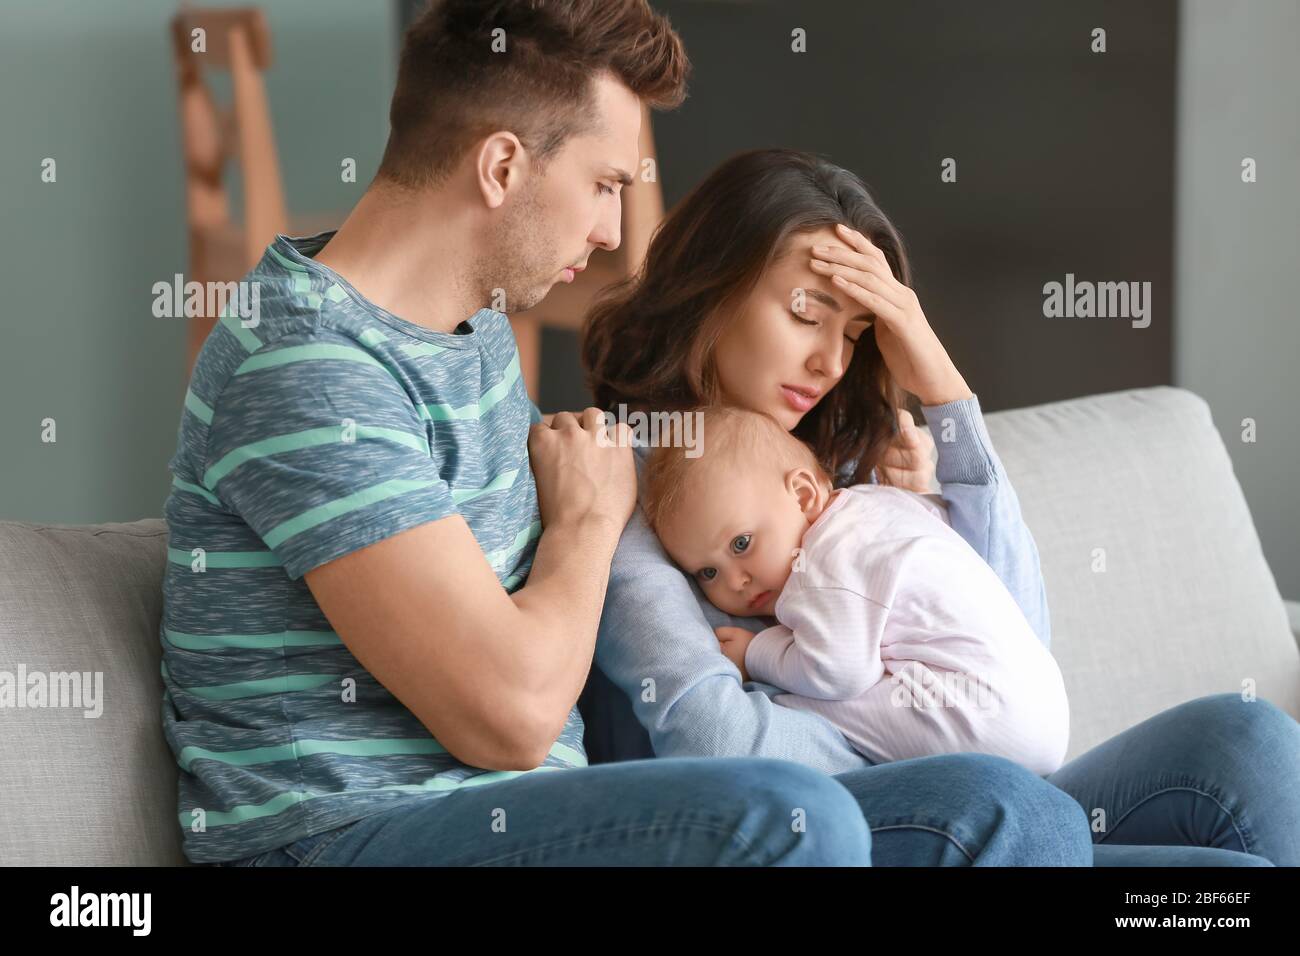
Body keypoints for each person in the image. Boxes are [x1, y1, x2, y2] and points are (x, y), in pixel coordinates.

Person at [580, 147, 1298, 866]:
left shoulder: (837, 476)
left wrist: (948, 404)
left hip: (997, 802)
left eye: (856, 335)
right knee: (1076, 830)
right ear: (709, 286)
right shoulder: (625, 482)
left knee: (1248, 741)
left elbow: (1017, 655)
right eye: (808, 314)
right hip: (846, 821)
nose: (832, 363)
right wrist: (928, 750)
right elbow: (718, 740)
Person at [640, 403, 1070, 775]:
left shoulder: (823, 558)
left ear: (804, 496)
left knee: (796, 700)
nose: (734, 580)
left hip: (985, 719)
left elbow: (837, 672)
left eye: (741, 544)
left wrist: (756, 654)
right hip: (1043, 703)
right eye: (706, 574)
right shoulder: (879, 506)